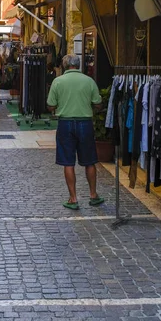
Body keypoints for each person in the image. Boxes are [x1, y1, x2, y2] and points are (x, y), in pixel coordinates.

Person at [47, 54, 103, 211]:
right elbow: (98, 104)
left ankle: (73, 198)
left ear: (65, 66)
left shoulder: (57, 82)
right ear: (78, 65)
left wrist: (59, 105)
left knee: (68, 162)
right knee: (90, 161)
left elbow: (50, 106)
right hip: (85, 123)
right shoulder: (89, 81)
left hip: (65, 123)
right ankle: (93, 195)